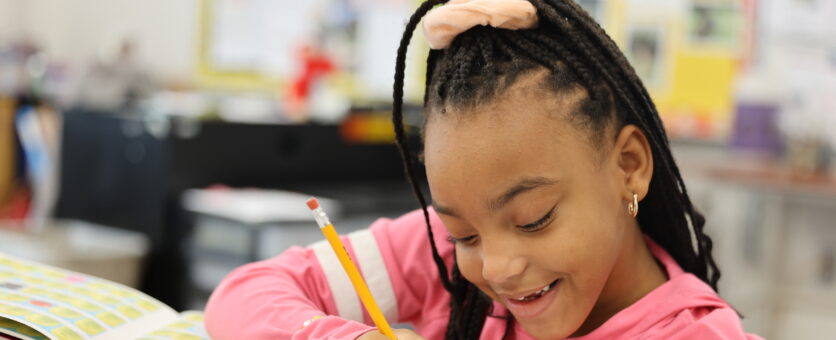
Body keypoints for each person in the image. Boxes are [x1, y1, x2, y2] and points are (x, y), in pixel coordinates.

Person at [204, 0, 763, 339]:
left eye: (534, 219)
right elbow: (244, 294)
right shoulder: (443, 263)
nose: (496, 267)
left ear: (628, 166)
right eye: (463, 232)